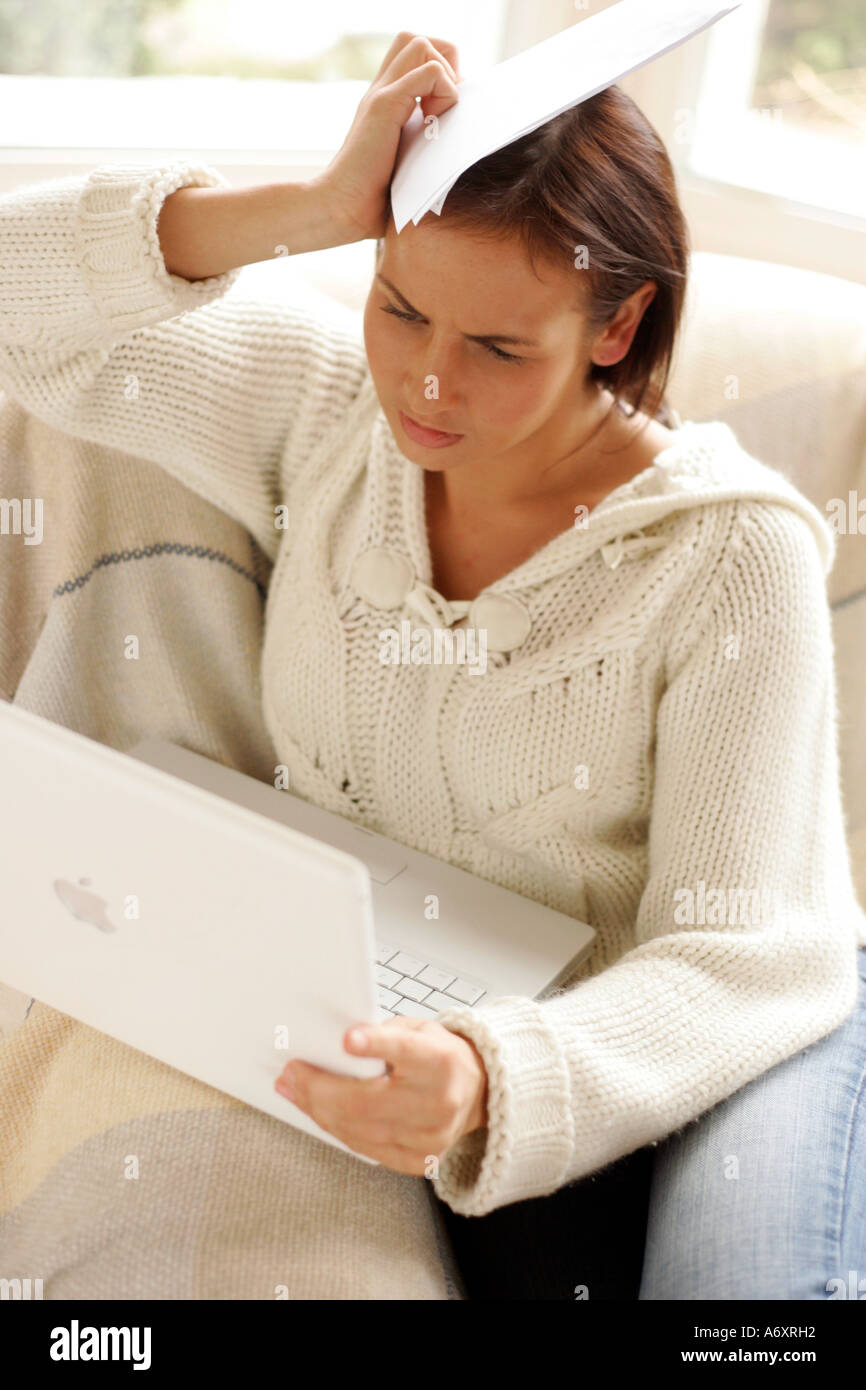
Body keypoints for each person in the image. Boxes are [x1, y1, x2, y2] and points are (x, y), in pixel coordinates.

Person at [1, 31, 863, 1300]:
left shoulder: (728, 556)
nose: (427, 381)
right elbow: (23, 308)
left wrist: (488, 1076)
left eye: (499, 349)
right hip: (389, 996)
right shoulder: (333, 417)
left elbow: (742, 955)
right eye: (399, 305)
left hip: (632, 1060)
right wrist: (305, 209)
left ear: (616, 325)